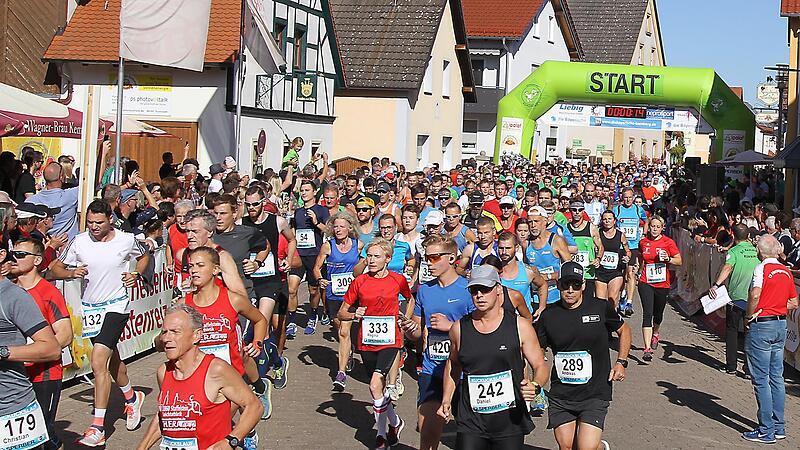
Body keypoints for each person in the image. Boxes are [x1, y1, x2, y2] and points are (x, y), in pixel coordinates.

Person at [50, 200, 149, 446]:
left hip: (117, 305)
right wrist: (72, 273)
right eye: (90, 222)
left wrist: (135, 273)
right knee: (111, 361)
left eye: (99, 223)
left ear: (110, 221)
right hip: (91, 308)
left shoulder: (125, 239)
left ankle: (98, 427)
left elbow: (144, 256)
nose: (94, 227)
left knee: (97, 361)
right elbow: (55, 268)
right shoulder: (79, 241)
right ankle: (131, 397)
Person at [437, 265, 548, 449]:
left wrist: (535, 385)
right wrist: (447, 399)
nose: (479, 295)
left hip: (509, 419)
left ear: (498, 289)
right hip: (471, 418)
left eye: (485, 289)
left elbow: (540, 364)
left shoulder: (519, 326)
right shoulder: (459, 328)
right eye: (474, 290)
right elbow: (453, 364)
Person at [136, 304, 263, 450]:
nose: (166, 338)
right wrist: (143, 446)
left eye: (175, 332)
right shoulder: (164, 372)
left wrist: (230, 441)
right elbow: (166, 416)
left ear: (196, 335)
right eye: (164, 332)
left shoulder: (216, 370)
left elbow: (254, 406)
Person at [536, 261, 631, 450]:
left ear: (583, 285)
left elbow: (624, 330)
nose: (570, 290)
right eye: (565, 284)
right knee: (567, 447)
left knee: (585, 447)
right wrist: (535, 379)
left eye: (576, 284)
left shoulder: (600, 307)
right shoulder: (549, 315)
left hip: (595, 391)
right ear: (559, 285)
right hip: (562, 393)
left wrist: (621, 362)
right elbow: (538, 351)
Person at [399, 235, 474, 450]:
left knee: (469, 436)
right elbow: (417, 331)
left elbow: (481, 332)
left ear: (451, 258)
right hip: (432, 369)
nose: (428, 263)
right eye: (425, 258)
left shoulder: (468, 290)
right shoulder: (425, 289)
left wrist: (451, 326)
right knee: (428, 429)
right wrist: (411, 330)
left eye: (433, 258)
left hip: (465, 371)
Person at [338, 238, 413, 449]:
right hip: (367, 341)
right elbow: (341, 311)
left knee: (374, 385)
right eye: (369, 256)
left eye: (376, 256)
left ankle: (380, 436)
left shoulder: (398, 280)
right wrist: (354, 314)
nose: (371, 260)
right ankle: (395, 423)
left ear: (388, 259)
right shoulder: (359, 282)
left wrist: (404, 318)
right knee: (377, 389)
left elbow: (410, 299)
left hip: (391, 340)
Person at [10, 238, 73, 450]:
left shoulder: (49, 292)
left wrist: (33, 353)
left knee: (43, 431)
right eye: (13, 254)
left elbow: (65, 334)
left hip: (44, 374)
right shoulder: (8, 291)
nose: (14, 259)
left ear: (37, 260)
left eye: (20, 255)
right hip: (13, 375)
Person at [741, 235, 797, 443]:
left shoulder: (761, 268)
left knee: (761, 378)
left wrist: (750, 315)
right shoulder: (786, 270)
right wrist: (777, 307)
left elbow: (755, 294)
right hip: (780, 325)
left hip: (762, 325)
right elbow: (794, 301)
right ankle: (779, 426)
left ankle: (766, 429)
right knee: (777, 376)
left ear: (760, 251)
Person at [243, 184, 295, 389]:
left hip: (271, 280)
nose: (251, 209)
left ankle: (260, 381)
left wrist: (288, 260)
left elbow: (292, 240)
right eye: (247, 205)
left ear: (263, 202)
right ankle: (278, 362)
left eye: (255, 204)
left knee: (262, 327)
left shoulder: (278, 221)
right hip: (250, 280)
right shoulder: (241, 222)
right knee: (254, 331)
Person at [314, 211, 364, 390]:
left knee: (344, 332)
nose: (338, 230)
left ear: (350, 228)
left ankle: (340, 373)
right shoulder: (328, 246)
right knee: (339, 327)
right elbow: (317, 268)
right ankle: (348, 351)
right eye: (335, 227)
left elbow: (364, 265)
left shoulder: (359, 245)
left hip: (351, 295)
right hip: (333, 294)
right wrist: (321, 279)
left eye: (342, 226)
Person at [709, 224, 759, 375]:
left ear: (732, 234)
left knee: (731, 331)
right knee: (750, 333)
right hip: (753, 298)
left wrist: (716, 285)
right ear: (748, 235)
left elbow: (727, 268)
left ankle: (731, 366)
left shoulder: (734, 251)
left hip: (736, 297)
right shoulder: (757, 251)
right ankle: (749, 368)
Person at [637, 215, 682, 362]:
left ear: (662, 228)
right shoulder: (643, 242)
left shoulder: (668, 242)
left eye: (658, 226)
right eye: (652, 226)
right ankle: (647, 348)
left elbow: (679, 261)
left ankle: (656, 333)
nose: (654, 229)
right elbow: (640, 257)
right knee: (647, 313)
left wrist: (668, 259)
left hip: (662, 284)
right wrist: (638, 270)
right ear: (648, 227)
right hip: (645, 282)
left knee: (658, 314)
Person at [290, 179, 330, 335]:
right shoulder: (298, 212)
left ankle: (313, 316)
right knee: (292, 289)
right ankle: (292, 320)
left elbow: (328, 229)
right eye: (302, 190)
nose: (304, 192)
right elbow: (293, 232)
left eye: (307, 190)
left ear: (314, 192)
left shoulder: (321, 210)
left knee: (313, 291)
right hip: (299, 255)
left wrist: (315, 222)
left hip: (314, 255)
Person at [496, 232, 550, 319]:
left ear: (516, 248)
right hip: (502, 320)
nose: (504, 252)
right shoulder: (494, 271)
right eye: (501, 248)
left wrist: (542, 307)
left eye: (508, 248)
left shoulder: (528, 271)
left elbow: (543, 285)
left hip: (525, 318)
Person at [525, 206, 571, 307]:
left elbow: (569, 269)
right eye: (530, 222)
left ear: (545, 221)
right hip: (535, 297)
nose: (533, 225)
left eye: (536, 221)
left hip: (555, 296)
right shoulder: (526, 243)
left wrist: (548, 276)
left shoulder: (556, 240)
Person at [614, 187, 648, 316]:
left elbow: (646, 220)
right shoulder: (617, 209)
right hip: (619, 246)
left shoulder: (638, 209)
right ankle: (622, 295)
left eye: (630, 197)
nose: (628, 200)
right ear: (622, 197)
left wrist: (643, 234)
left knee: (630, 273)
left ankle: (629, 302)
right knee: (621, 274)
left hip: (633, 246)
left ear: (633, 197)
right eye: (625, 197)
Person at [27, 161, 80, 239]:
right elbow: (93, 184)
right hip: (69, 246)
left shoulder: (31, 201)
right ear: (61, 177)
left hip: (42, 245)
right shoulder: (71, 196)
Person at [595, 210, 631, 310]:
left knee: (612, 299)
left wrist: (627, 257)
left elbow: (628, 251)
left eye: (609, 219)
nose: (607, 221)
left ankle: (611, 322)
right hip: (600, 272)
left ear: (614, 221)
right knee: (600, 301)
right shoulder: (598, 233)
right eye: (605, 219)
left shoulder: (620, 235)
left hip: (615, 272)